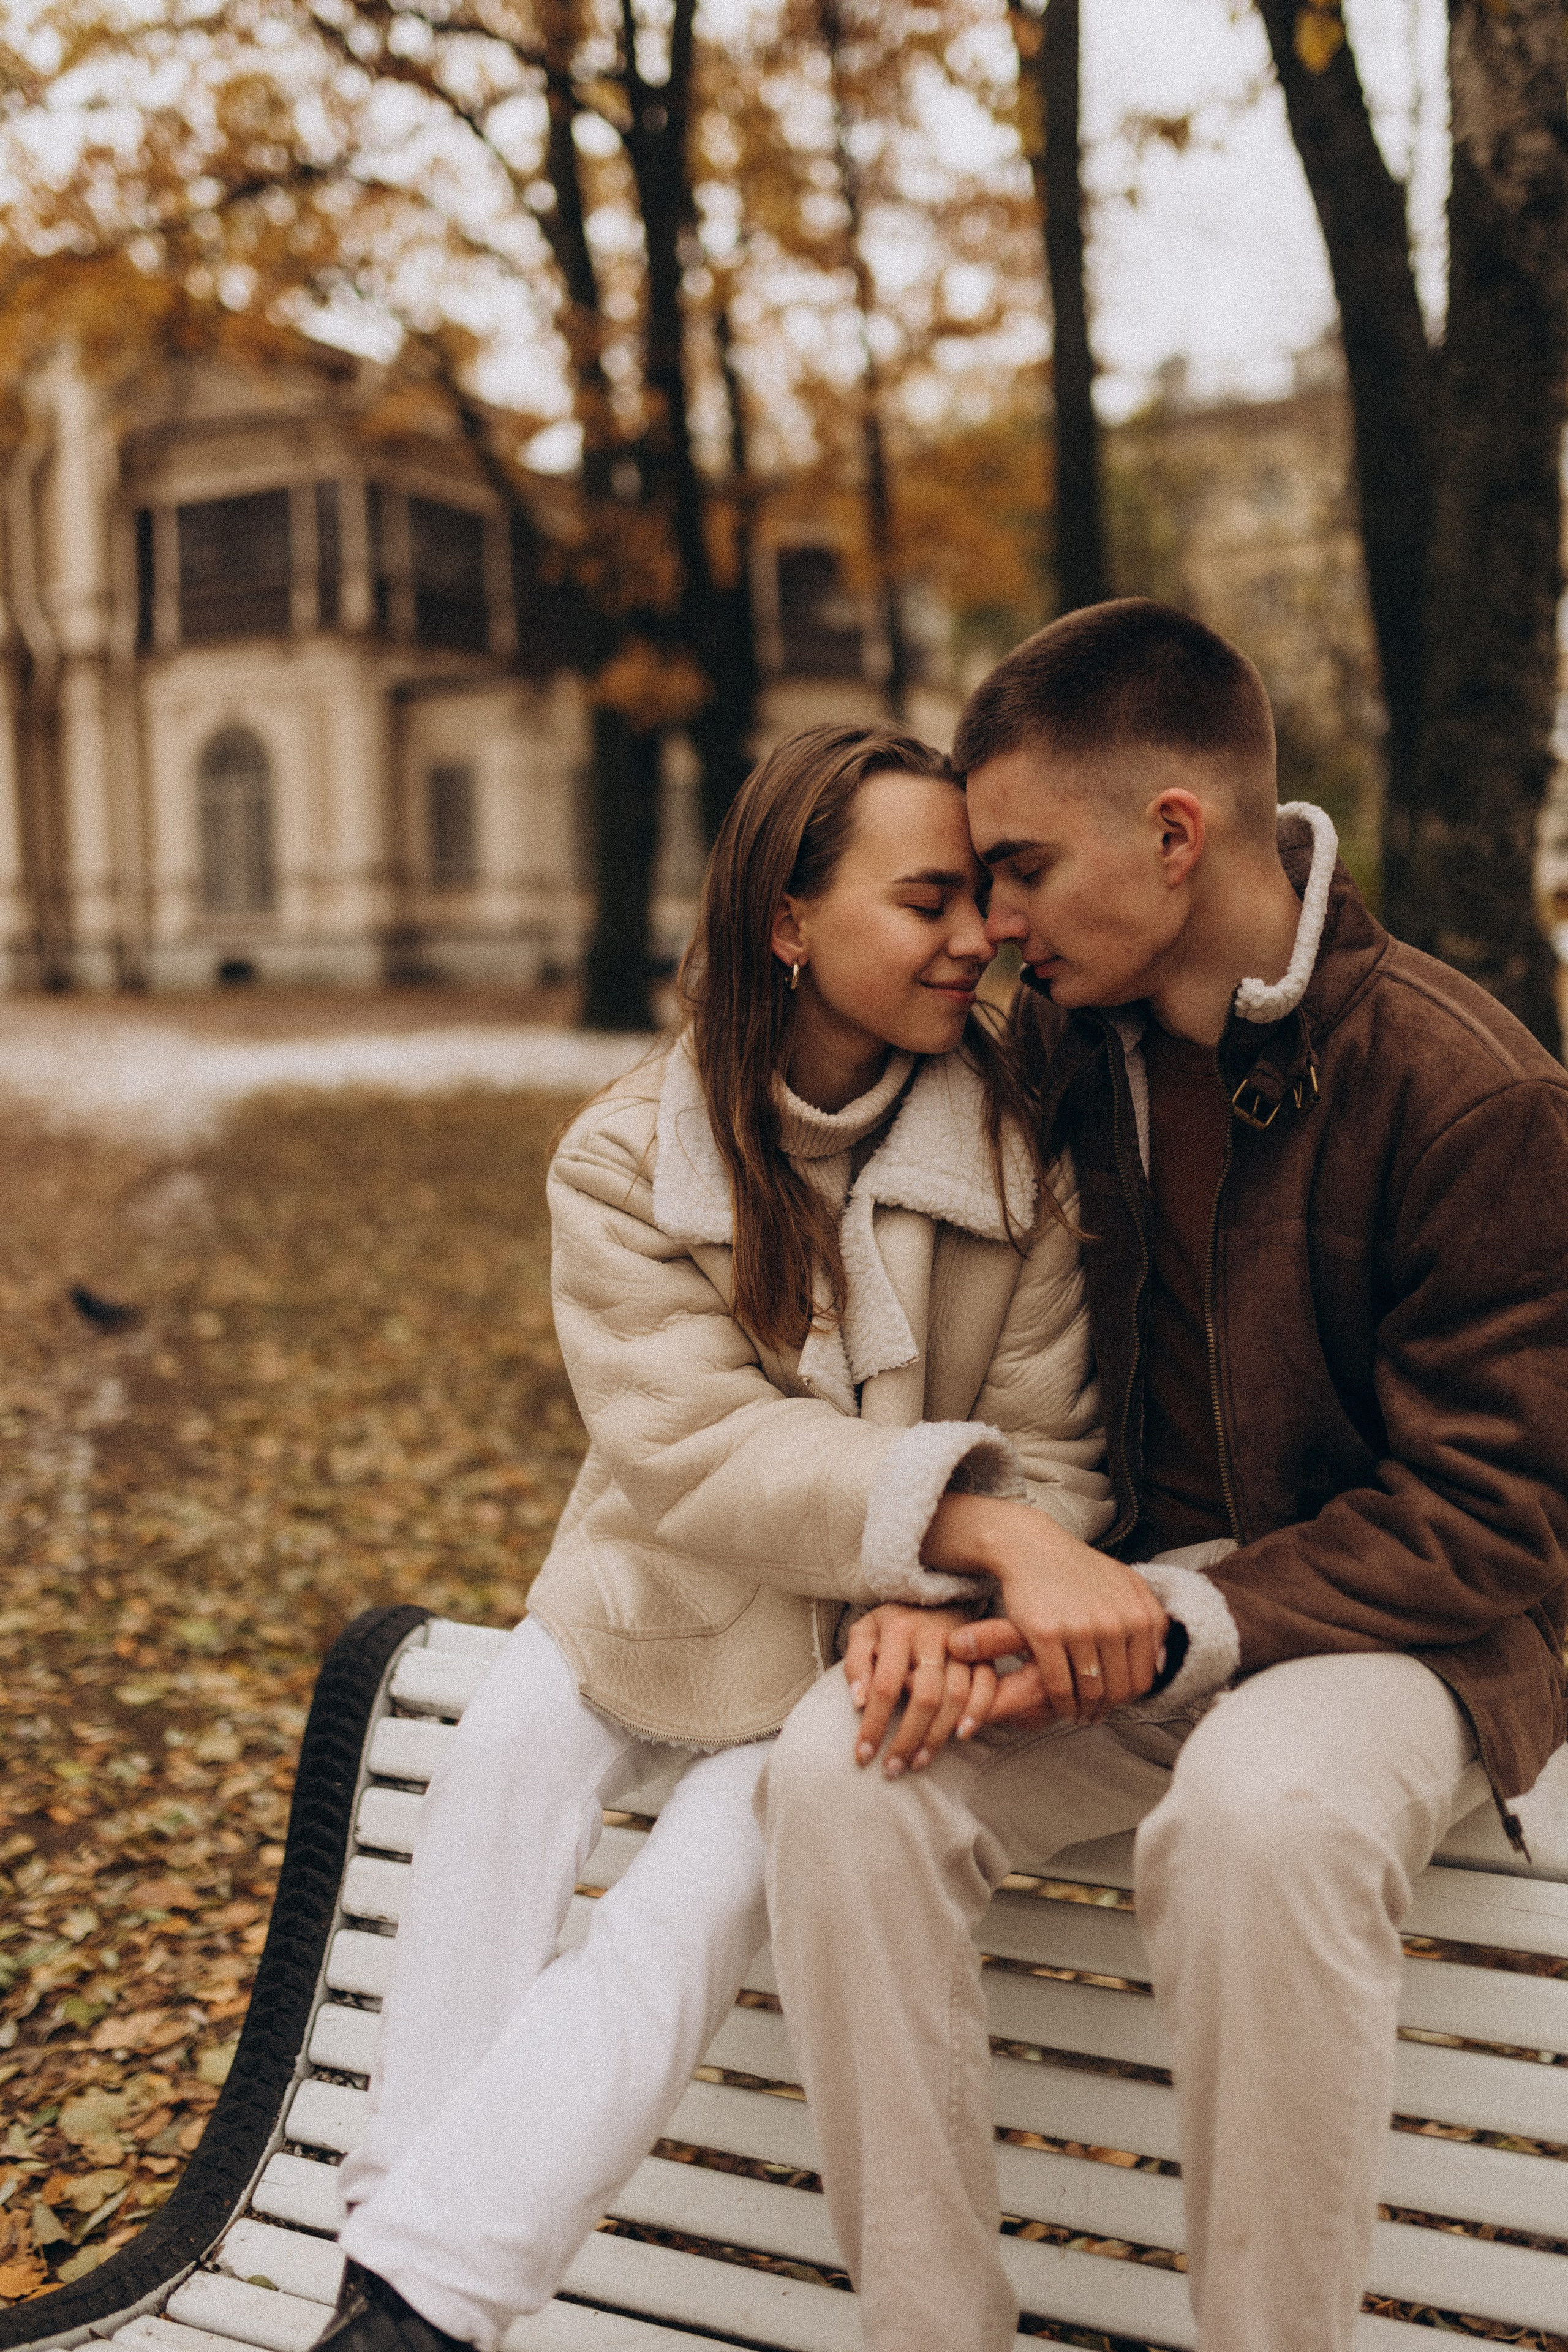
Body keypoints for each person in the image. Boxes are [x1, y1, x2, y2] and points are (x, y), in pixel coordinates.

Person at [318, 722, 1208, 2352]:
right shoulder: (625, 1152)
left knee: (700, 1884)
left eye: (978, 899)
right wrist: (974, 1526)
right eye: (926, 899)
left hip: (860, 1651)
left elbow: (1064, 1465)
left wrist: (955, 1595)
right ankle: (395, 2251)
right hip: (654, 1600)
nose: (976, 938)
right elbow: (684, 1446)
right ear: (791, 924)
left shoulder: (1019, 1166)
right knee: (499, 1770)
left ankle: (412, 2308)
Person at [758, 601, 1568, 2352]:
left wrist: (1188, 1613)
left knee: (1260, 1827)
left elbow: (1499, 1514)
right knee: (842, 1770)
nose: (993, 921)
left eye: (1023, 868)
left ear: (1177, 836)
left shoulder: (1466, 1088)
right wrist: (944, 1579)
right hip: (1114, 1591)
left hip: (1404, 1637)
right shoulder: (1052, 1059)